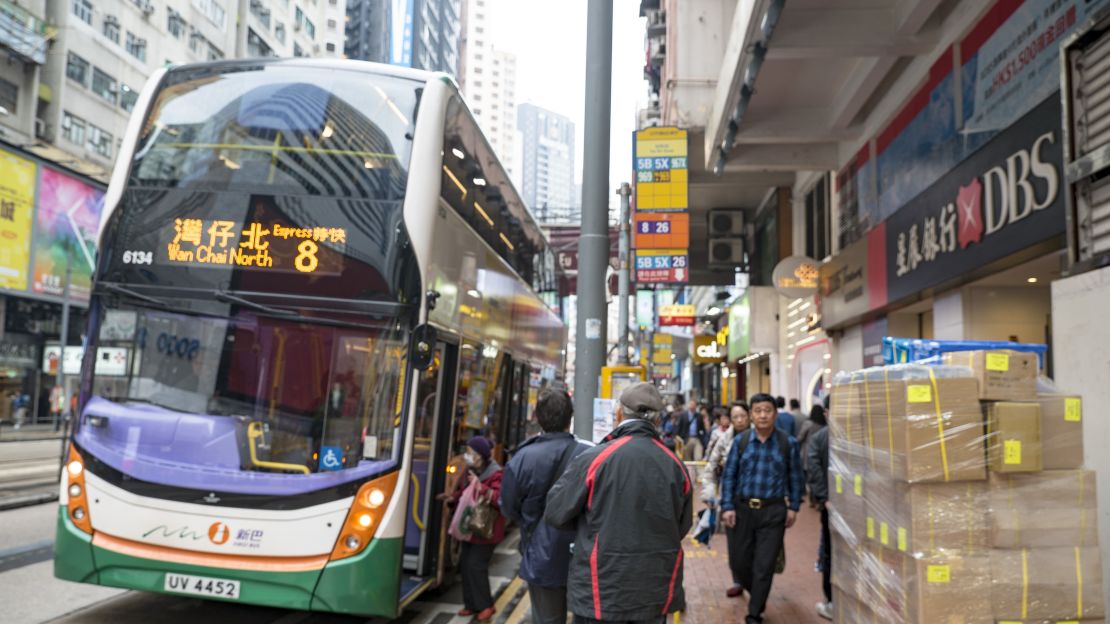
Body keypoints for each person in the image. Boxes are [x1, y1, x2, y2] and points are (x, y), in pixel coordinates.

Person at [546, 381, 692, 623]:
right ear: (657, 421)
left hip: (600, 592)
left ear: (618, 413)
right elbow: (681, 526)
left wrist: (588, 528)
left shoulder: (594, 458)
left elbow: (555, 512)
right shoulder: (676, 466)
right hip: (654, 593)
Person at [500, 389, 588, 624]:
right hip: (584, 557)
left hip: (541, 556)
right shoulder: (589, 455)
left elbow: (508, 508)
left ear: (537, 418)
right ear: (570, 418)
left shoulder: (522, 458)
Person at [721, 393, 805, 624]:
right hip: (742, 509)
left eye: (767, 410)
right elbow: (729, 476)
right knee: (738, 561)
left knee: (765, 564)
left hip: (773, 511)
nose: (763, 415)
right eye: (758, 411)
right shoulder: (742, 441)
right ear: (751, 415)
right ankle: (757, 592)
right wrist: (727, 506)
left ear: (775, 414)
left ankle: (754, 611)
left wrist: (794, 506)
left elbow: (796, 477)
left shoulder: (788, 443)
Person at [445, 436, 505, 620]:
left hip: (487, 529)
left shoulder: (497, 473)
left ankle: (486, 605)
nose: (468, 456)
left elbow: (500, 499)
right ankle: (470, 604)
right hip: (470, 528)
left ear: (481, 455)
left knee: (476, 565)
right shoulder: (470, 471)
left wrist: (481, 488)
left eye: (471, 453)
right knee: (466, 564)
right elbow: (466, 493)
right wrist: (452, 498)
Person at [699, 401, 752, 599]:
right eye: (735, 417)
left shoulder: (760, 436)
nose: (739, 420)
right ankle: (738, 580)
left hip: (756, 499)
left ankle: (754, 581)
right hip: (731, 499)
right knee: (735, 544)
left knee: (753, 544)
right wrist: (709, 493)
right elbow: (711, 467)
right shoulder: (724, 439)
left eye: (743, 416)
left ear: (749, 416)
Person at [806, 401, 832, 620]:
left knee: (831, 551)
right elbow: (814, 468)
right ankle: (832, 599)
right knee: (830, 550)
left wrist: (822, 497)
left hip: (835, 506)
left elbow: (813, 470)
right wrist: (825, 498)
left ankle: (833, 599)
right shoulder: (822, 438)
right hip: (832, 506)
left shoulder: (820, 437)